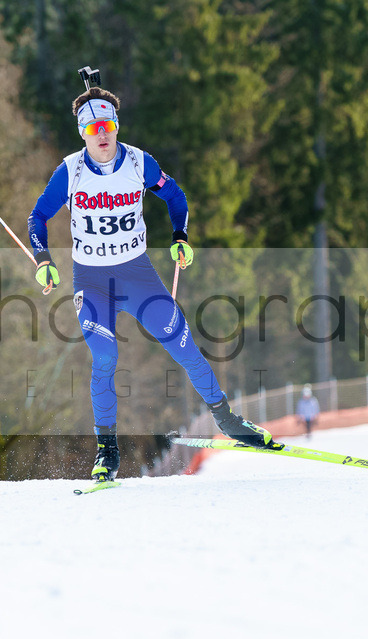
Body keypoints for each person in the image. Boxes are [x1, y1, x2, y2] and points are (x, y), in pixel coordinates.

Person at [27, 85, 274, 483]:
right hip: (92, 282)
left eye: (107, 125)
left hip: (138, 275)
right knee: (105, 358)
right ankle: (107, 450)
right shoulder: (69, 171)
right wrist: (44, 262)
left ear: (117, 125)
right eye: (92, 128)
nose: (101, 134)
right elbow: (37, 218)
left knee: (184, 344)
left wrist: (181, 237)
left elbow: (176, 198)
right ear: (82, 133)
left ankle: (228, 420)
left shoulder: (140, 163)